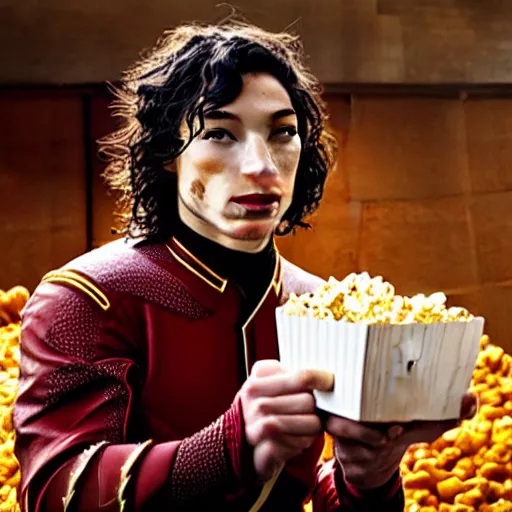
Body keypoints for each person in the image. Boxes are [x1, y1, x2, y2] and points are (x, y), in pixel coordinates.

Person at [14, 20, 475, 511]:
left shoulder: (320, 308)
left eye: (282, 133)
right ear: (169, 153)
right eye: (219, 132)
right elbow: (51, 493)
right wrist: (228, 447)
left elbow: (305, 494)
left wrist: (368, 475)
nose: (261, 166)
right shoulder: (86, 297)